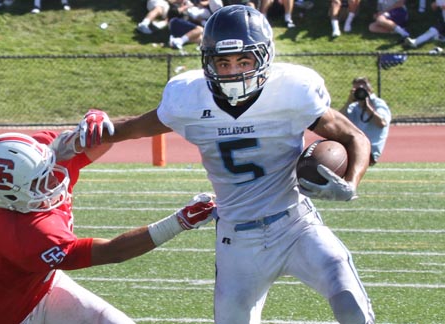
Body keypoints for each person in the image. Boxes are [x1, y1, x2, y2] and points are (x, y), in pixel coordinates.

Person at [86, 5, 376, 323]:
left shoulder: (292, 91)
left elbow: (355, 137)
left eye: (243, 60)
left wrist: (350, 183)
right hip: (238, 241)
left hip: (296, 225)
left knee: (351, 303)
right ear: (207, 62)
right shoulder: (188, 99)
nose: (233, 71)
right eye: (223, 62)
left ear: (264, 58)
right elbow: (135, 128)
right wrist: (102, 126)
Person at [0, 111, 217, 324]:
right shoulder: (32, 233)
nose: (53, 179)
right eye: (41, 181)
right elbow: (111, 252)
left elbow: (93, 142)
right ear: (15, 198)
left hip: (39, 286)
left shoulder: (34, 161)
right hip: (7, 317)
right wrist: (179, 221)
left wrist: (94, 123)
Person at [340, 77, 391, 166]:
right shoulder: (353, 107)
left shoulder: (378, 103)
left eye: (363, 89)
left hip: (370, 152)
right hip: (354, 148)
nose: (360, 92)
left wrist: (367, 107)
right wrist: (349, 101)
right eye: (357, 89)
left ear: (370, 89)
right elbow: (338, 121)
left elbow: (382, 123)